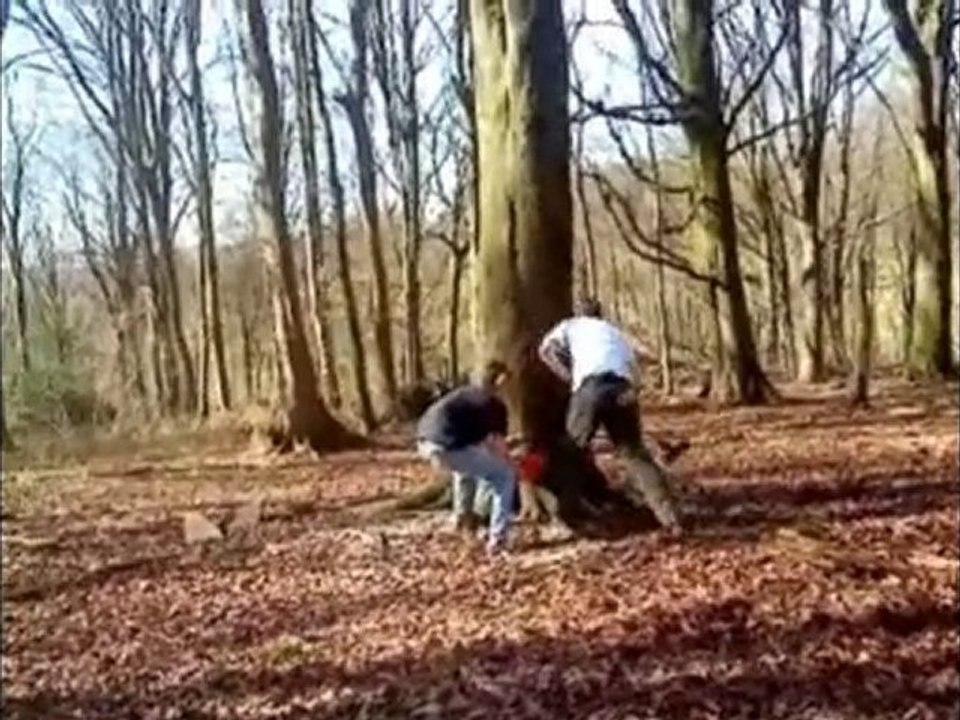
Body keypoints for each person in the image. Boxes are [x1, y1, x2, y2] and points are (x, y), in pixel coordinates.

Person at [538, 298, 684, 534]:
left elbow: (545, 349)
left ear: (579, 314)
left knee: (572, 450)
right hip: (623, 388)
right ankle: (671, 518)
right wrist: (631, 393)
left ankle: (566, 514)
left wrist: (567, 375)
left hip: (591, 387)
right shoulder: (616, 333)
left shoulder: (571, 325)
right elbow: (635, 372)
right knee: (634, 453)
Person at [416, 360, 517, 555]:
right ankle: (498, 539)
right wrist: (512, 462)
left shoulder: (464, 394)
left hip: (425, 442)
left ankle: (461, 519)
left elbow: (479, 441)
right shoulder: (493, 404)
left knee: (466, 466)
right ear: (500, 381)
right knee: (504, 476)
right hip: (449, 447)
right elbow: (497, 446)